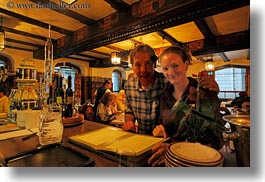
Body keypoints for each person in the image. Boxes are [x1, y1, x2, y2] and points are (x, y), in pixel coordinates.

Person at [148, 46, 225, 166]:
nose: (171, 73)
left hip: (200, 162)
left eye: (175, 66)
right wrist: (160, 128)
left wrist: (174, 148)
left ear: (186, 64)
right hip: (170, 160)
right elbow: (162, 124)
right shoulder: (163, 96)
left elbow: (217, 139)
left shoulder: (204, 93)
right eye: (165, 68)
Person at [122, 44, 220, 135]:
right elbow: (129, 109)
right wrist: (129, 122)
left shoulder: (167, 82)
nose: (143, 69)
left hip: (174, 144)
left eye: (147, 63)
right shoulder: (129, 86)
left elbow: (185, 84)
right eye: (138, 65)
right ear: (132, 66)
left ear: (154, 64)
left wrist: (210, 90)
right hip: (144, 138)